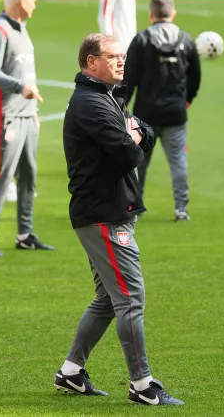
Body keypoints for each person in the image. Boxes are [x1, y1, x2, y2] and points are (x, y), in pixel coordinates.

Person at [55, 33, 183, 406]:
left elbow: (145, 136)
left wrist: (134, 135)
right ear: (90, 62)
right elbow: (130, 155)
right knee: (130, 297)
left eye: (122, 57)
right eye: (112, 57)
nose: (120, 62)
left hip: (108, 210)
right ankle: (142, 386)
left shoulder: (108, 97)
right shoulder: (90, 104)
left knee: (109, 299)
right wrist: (134, 136)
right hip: (103, 214)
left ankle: (71, 372)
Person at [0, 0, 53, 257]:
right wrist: (20, 88)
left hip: (27, 116)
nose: (35, 4)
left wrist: (33, 112)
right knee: (2, 176)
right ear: (22, 2)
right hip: (7, 116)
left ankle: (24, 234)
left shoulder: (22, 29)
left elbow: (28, 74)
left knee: (29, 175)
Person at [123, 0, 201, 221]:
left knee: (139, 163)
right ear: (173, 13)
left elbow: (129, 78)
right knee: (178, 161)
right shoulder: (186, 40)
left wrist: (122, 107)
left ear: (151, 14)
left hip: (145, 114)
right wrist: (188, 98)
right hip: (176, 112)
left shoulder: (141, 40)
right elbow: (195, 76)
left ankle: (134, 208)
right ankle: (181, 209)